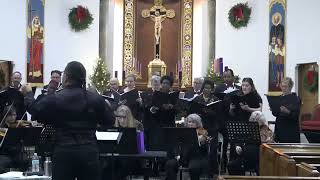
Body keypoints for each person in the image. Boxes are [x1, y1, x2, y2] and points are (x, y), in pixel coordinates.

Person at [22, 61, 114, 180]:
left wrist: (28, 94)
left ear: (67, 77)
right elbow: (109, 121)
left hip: (64, 151)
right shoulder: (94, 98)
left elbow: (35, 110)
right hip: (88, 150)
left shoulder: (56, 98)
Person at [189, 78, 220, 176]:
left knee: (212, 151)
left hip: (212, 128)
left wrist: (212, 113)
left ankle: (212, 172)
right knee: (200, 148)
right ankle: (201, 170)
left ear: (212, 89)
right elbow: (192, 111)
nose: (207, 90)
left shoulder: (215, 100)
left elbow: (220, 114)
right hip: (200, 127)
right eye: (205, 88)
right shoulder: (197, 99)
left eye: (209, 88)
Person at [273, 77, 301, 143]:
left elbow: (296, 115)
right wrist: (274, 108)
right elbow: (275, 114)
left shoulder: (295, 99)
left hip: (290, 129)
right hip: (280, 127)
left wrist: (288, 112)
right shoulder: (279, 98)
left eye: (285, 86)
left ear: (290, 87)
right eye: (282, 86)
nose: (283, 88)